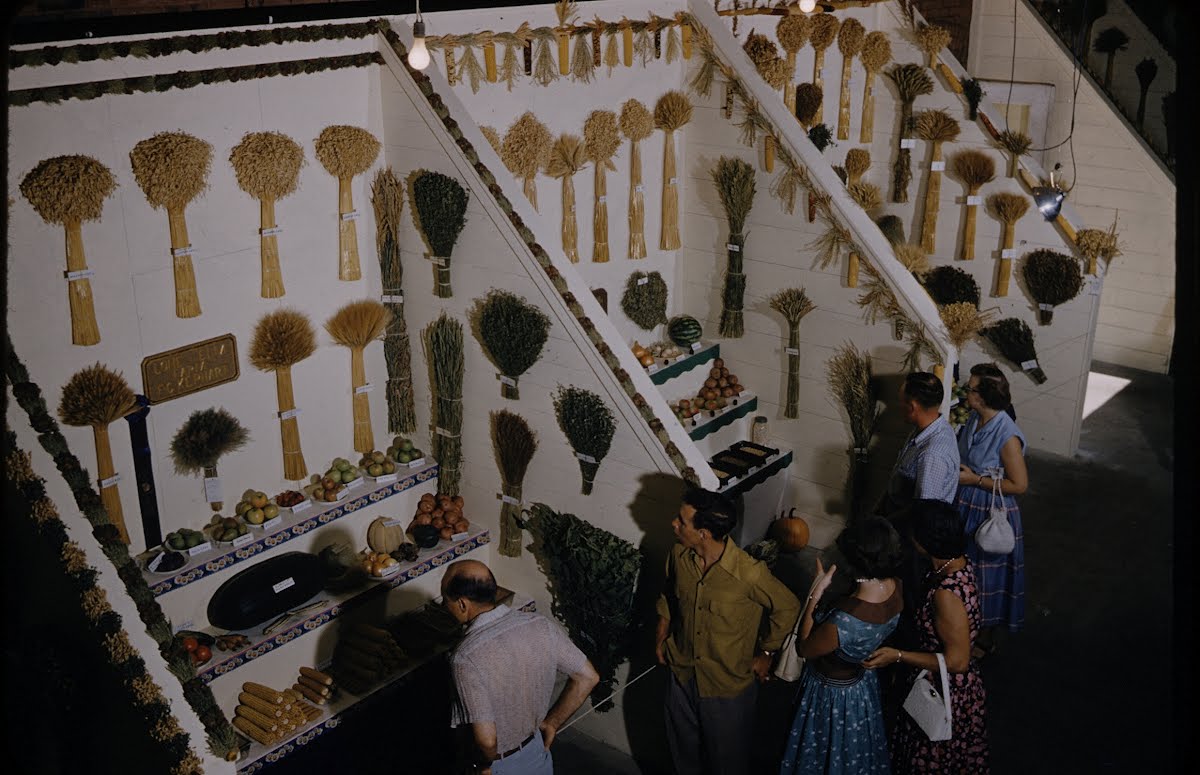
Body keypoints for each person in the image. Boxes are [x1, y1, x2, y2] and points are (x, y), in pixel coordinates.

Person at [655, 486, 801, 775]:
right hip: (681, 673)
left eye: (682, 521)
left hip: (727, 686)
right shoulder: (678, 556)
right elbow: (668, 596)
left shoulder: (749, 573)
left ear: (704, 533)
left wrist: (767, 652)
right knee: (683, 755)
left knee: (727, 763)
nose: (674, 524)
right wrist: (661, 637)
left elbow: (788, 607)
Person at [865, 500, 990, 774]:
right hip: (941, 683)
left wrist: (897, 656)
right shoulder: (956, 565)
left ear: (923, 541)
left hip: (944, 693)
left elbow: (957, 661)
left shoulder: (946, 593)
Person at [444, 559, 600, 775]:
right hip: (536, 751)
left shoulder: (465, 658)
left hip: (498, 766)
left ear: (462, 604)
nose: (446, 607)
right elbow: (588, 677)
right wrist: (552, 723)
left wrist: (483, 765)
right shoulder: (540, 624)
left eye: (446, 601)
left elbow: (487, 741)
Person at [779, 517, 904, 775]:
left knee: (820, 754)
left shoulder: (844, 619)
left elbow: (804, 648)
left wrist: (817, 590)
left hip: (831, 694)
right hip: (861, 687)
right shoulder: (895, 586)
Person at [955, 363, 1028, 656]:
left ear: (983, 397)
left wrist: (975, 479)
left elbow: (1020, 485)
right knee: (965, 571)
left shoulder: (1007, 434)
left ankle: (984, 637)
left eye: (971, 389)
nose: (966, 392)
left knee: (986, 577)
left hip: (990, 510)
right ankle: (962, 627)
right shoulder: (974, 419)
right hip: (965, 503)